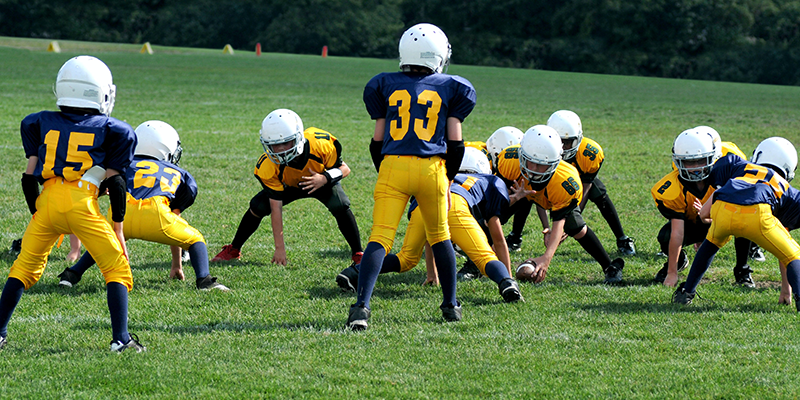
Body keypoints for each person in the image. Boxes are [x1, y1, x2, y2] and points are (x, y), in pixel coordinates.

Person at [0, 55, 144, 352]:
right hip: (82, 203)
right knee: (116, 269)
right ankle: (121, 339)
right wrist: (117, 226)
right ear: (100, 91)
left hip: (48, 201)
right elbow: (117, 183)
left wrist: (38, 214)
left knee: (23, 268)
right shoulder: (114, 130)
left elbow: (29, 178)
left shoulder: (38, 121)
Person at [347, 23, 476, 330]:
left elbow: (376, 141)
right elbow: (456, 143)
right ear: (438, 55)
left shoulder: (384, 83)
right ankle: (450, 305)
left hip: (393, 164)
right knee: (440, 236)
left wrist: (388, 171)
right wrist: (446, 178)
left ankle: (361, 307)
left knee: (380, 237)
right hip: (432, 168)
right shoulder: (452, 86)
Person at [56, 120, 229, 291]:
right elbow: (175, 215)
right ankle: (204, 281)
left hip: (122, 214)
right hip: (156, 215)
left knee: (104, 242)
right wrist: (177, 263)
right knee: (196, 240)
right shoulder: (179, 173)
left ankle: (71, 275)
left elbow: (97, 185)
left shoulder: (122, 163)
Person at [337, 150, 523, 303]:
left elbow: (431, 237)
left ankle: (355, 271)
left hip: (423, 204)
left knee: (406, 258)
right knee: (484, 257)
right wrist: (509, 277)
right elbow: (498, 239)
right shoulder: (491, 182)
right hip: (455, 205)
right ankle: (505, 283)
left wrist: (432, 274)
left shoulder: (444, 175)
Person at [211, 109, 363, 267]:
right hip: (288, 186)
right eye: (275, 145)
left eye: (285, 143)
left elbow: (345, 169)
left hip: (319, 181)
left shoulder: (321, 144)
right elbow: (275, 208)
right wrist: (279, 248)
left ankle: (358, 252)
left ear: (298, 137)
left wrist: (324, 178)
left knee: (340, 203)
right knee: (258, 206)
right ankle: (234, 249)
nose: (280, 150)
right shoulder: (268, 165)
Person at [673, 137, 800, 309]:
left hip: (724, 208)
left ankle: (687, 292)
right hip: (757, 213)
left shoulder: (738, 165)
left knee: (710, 244)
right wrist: (786, 290)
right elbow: (785, 243)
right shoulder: (786, 188)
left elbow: (713, 201)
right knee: (793, 255)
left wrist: (706, 217)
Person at [511, 125, 625, 284]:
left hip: (557, 192)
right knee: (497, 209)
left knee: (576, 226)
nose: (535, 169)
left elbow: (559, 218)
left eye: (541, 164)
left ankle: (609, 266)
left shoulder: (565, 180)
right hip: (522, 190)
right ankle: (478, 260)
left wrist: (546, 258)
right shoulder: (509, 162)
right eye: (530, 162)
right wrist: (511, 200)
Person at [651, 128, 753, 287]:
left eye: (700, 161)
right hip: (694, 223)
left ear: (714, 157)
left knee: (745, 221)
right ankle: (677, 262)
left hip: (727, 220)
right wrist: (672, 273)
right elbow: (678, 232)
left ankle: (742, 271)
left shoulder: (727, 174)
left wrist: (708, 215)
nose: (695, 167)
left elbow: (739, 211)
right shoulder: (673, 188)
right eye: (689, 162)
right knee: (666, 235)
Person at [548, 110, 635, 255]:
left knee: (598, 190)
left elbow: (586, 188)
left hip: (577, 183)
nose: (563, 148)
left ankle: (622, 238)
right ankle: (515, 236)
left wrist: (572, 219)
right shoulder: (541, 150)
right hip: (550, 181)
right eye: (559, 141)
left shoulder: (590, 153)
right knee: (525, 193)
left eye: (567, 142)